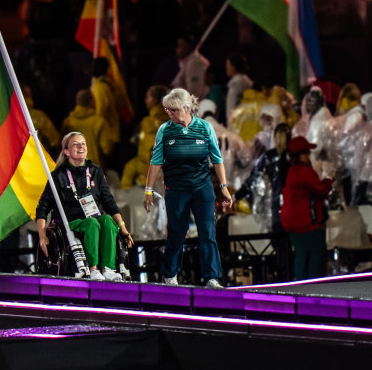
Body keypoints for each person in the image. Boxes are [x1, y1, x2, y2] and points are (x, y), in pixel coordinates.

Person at [144, 88, 232, 287]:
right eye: (167, 110)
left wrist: (224, 187)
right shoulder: (165, 130)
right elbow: (156, 161)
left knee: (208, 232)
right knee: (176, 232)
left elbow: (217, 159)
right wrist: (148, 190)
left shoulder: (205, 128)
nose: (169, 113)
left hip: (203, 188)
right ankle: (170, 275)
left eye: (172, 110)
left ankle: (211, 277)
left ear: (185, 108)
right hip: (176, 189)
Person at [36, 132, 133, 281]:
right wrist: (42, 237)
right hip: (70, 223)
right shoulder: (57, 176)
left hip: (94, 217)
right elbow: (42, 208)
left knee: (107, 220)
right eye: (76, 144)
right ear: (67, 152)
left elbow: (109, 202)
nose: (81, 146)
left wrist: (124, 229)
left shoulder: (95, 171)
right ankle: (93, 270)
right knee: (92, 224)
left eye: (83, 143)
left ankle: (108, 269)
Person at [281, 136, 333, 280]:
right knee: (317, 254)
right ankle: (313, 289)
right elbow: (321, 191)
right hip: (307, 223)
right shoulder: (304, 171)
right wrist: (329, 179)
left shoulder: (290, 172)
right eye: (306, 153)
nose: (309, 156)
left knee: (301, 256)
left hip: (291, 224)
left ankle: (300, 287)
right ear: (299, 155)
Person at [61, 89, 112, 168]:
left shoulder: (68, 122)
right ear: (91, 101)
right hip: (94, 169)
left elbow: (61, 146)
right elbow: (107, 149)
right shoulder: (100, 122)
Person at [171, 36, 210, 100]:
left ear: (189, 46)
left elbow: (194, 92)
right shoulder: (186, 63)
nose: (177, 49)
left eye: (180, 46)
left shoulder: (195, 63)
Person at [225, 53, 252, 123]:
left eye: (228, 65)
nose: (227, 68)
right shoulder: (245, 80)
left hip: (236, 121)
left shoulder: (237, 82)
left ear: (234, 66)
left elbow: (232, 104)